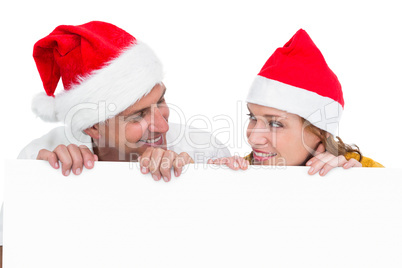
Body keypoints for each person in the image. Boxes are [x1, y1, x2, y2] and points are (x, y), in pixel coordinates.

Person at [0, 21, 231, 256]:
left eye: (160, 101)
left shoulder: (205, 150)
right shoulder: (36, 160)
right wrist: (40, 189)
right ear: (91, 127)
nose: (163, 126)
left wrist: (197, 187)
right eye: (138, 116)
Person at [208, 29, 383, 173]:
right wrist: (221, 182)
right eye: (252, 117)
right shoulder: (241, 169)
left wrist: (364, 186)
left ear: (320, 133)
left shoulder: (365, 173)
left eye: (276, 124)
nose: (253, 138)